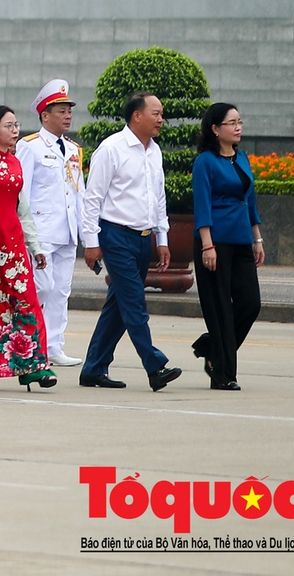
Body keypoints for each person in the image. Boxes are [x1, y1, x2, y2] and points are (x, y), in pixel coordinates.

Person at [78, 92, 181, 391]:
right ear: (137, 115)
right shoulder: (111, 149)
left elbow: (158, 198)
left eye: (162, 113)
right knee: (134, 301)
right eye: (156, 113)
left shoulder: (154, 151)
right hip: (116, 236)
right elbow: (92, 199)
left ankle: (93, 368)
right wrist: (92, 243)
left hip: (142, 238)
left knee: (119, 307)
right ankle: (154, 365)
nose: (161, 119)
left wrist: (162, 238)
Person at [0, 105, 56, 389]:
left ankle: (32, 366)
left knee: (25, 299)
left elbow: (22, 207)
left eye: (17, 125)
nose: (15, 130)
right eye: (9, 125)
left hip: (14, 242)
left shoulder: (16, 162)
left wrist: (35, 245)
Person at [190, 102, 261, 391]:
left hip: (242, 239)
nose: (238, 127)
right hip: (215, 242)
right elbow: (202, 204)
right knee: (220, 308)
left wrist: (257, 238)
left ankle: (211, 347)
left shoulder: (241, 158)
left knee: (250, 303)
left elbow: (251, 200)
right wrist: (207, 245)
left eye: (239, 121)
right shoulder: (205, 161)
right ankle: (223, 373)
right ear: (215, 129)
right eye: (231, 123)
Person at [17, 79, 84, 366]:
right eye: (61, 111)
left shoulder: (73, 149)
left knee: (61, 291)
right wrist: (25, 231)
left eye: (69, 110)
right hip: (41, 230)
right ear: (45, 115)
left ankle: (54, 345)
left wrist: (85, 232)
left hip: (67, 230)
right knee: (40, 287)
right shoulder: (29, 146)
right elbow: (22, 192)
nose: (67, 115)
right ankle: (29, 338)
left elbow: (78, 191)